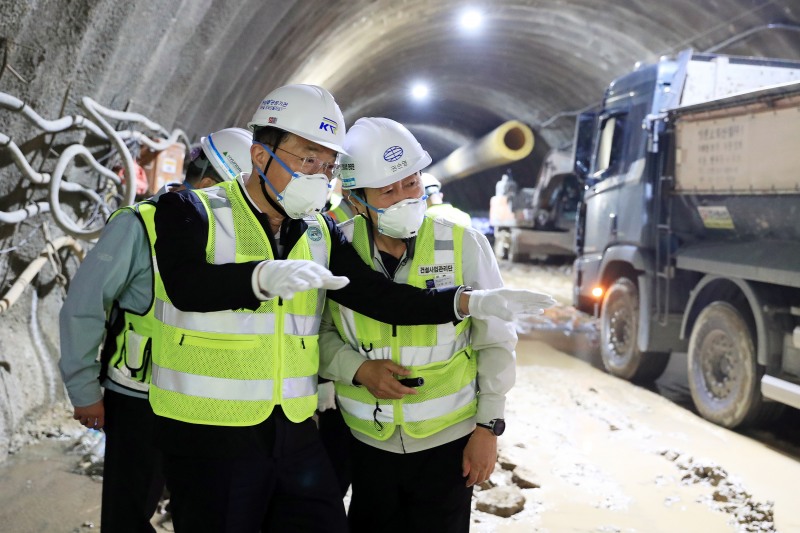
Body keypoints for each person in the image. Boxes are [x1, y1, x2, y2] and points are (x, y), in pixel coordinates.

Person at [148, 83, 548, 533]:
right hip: (210, 433)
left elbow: (381, 297)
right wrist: (259, 278)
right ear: (261, 155)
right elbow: (186, 287)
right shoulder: (188, 209)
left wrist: (467, 300)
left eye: (327, 164)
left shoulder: (318, 232)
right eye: (306, 160)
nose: (318, 175)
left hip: (293, 430)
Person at [318, 117, 555, 533]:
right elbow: (319, 333)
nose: (404, 198)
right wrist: (357, 369)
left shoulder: (462, 243)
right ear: (356, 199)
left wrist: (488, 427)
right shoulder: (335, 248)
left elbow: (495, 341)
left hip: (448, 441)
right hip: (367, 439)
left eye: (410, 183)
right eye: (388, 191)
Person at [58, 127, 253, 532]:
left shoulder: (237, 237)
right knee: (127, 515)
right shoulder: (140, 226)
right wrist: (84, 391)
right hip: (140, 404)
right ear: (208, 181)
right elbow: (84, 306)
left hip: (206, 404)